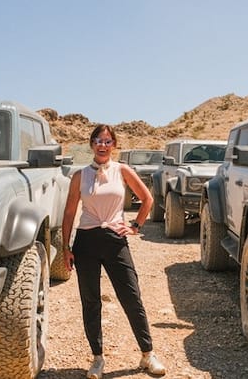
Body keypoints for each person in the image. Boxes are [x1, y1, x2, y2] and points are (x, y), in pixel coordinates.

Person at [61, 124, 166, 379]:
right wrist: (65, 247)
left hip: (115, 240)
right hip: (85, 241)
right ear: (91, 145)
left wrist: (135, 226)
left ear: (114, 145)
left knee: (131, 296)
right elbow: (69, 212)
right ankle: (97, 358)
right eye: (98, 140)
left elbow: (148, 199)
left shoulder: (122, 170)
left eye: (107, 141)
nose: (103, 145)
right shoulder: (79, 176)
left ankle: (147, 354)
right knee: (90, 300)